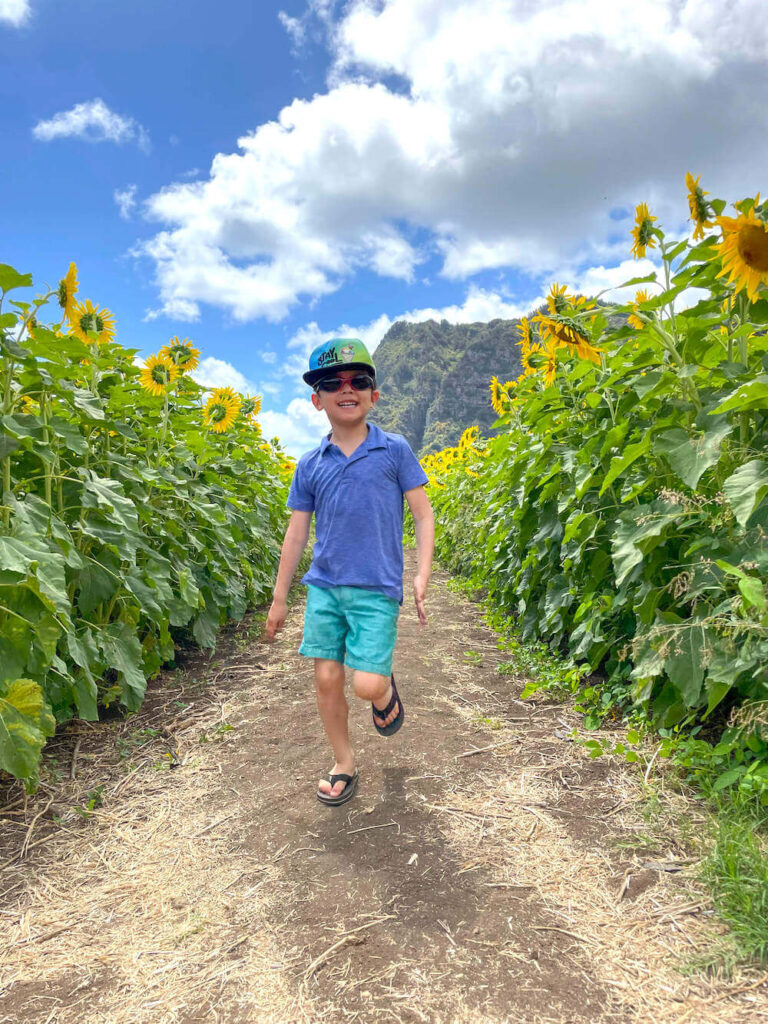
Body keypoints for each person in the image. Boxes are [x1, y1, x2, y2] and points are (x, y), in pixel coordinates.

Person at [265, 338, 434, 806]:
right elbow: (296, 535)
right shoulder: (310, 464)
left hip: (378, 589)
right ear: (316, 399)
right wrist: (280, 598)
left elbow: (422, 513)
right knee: (326, 680)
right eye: (331, 383)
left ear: (373, 395)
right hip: (324, 589)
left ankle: (383, 691)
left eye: (358, 381)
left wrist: (421, 573)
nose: (347, 389)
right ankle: (344, 762)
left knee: (366, 684)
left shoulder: (394, 451)